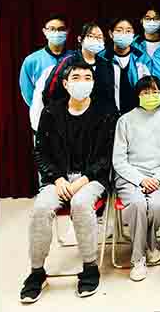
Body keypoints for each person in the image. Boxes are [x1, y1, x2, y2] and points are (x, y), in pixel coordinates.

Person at [19, 62, 118, 303]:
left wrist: (82, 181)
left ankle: (90, 266)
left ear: (93, 83)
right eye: (76, 77)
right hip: (58, 178)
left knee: (81, 205)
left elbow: (107, 155)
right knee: (41, 208)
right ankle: (36, 272)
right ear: (65, 83)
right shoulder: (51, 112)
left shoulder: (106, 112)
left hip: (91, 178)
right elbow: (40, 152)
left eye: (87, 77)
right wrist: (57, 178)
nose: (82, 81)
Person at [112, 76, 160, 282]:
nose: (151, 95)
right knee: (138, 204)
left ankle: (149, 241)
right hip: (130, 177)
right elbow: (119, 159)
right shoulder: (125, 121)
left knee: (157, 205)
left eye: (155, 91)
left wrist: (158, 178)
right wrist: (140, 180)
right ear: (137, 95)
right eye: (146, 92)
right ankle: (138, 258)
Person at [31, 21, 114, 131]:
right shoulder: (68, 62)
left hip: (97, 123)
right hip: (69, 121)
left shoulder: (106, 65)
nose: (95, 40)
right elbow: (49, 92)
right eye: (91, 36)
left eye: (99, 37)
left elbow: (109, 96)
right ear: (80, 39)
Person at [19, 13, 74, 117]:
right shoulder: (32, 61)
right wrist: (40, 109)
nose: (56, 33)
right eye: (52, 29)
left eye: (61, 29)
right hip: (42, 115)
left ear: (67, 32)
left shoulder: (75, 58)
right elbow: (27, 92)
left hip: (71, 115)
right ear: (45, 31)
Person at [99, 18, 152, 115]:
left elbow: (149, 87)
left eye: (128, 31)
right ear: (111, 34)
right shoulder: (102, 58)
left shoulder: (143, 58)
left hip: (137, 113)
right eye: (119, 30)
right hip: (109, 115)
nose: (124, 34)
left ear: (133, 35)